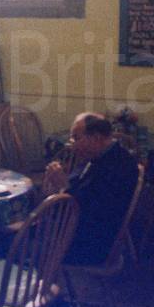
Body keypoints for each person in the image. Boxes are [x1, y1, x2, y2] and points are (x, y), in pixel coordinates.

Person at [42, 112, 138, 266]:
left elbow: (91, 213)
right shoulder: (96, 156)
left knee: (15, 240)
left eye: (76, 138)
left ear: (96, 138)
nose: (71, 144)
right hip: (74, 231)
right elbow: (77, 189)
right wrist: (55, 188)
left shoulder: (119, 166)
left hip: (88, 245)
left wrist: (63, 186)